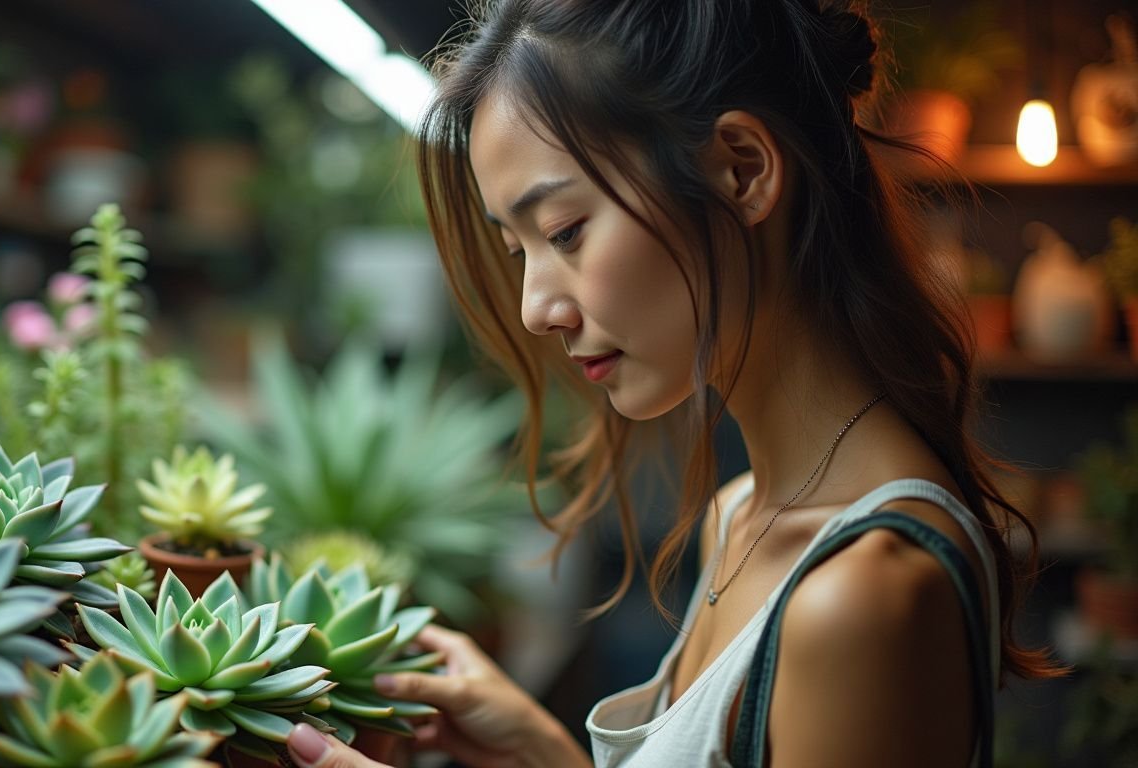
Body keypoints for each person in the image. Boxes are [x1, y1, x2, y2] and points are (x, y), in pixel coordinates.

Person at [284, 1, 1065, 766]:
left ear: (742, 170)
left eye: (565, 231)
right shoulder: (739, 516)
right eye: (520, 250)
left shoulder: (861, 595)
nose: (535, 310)